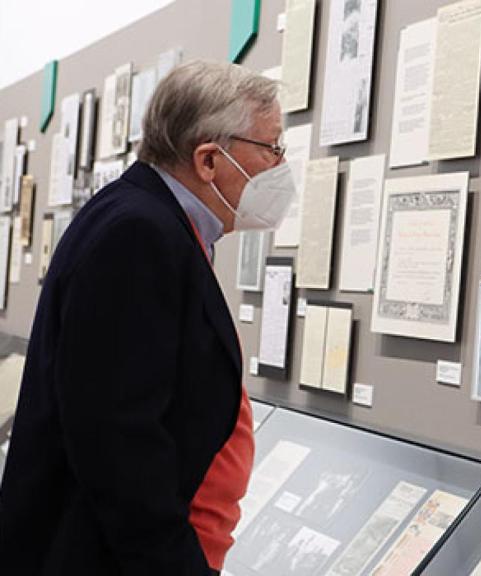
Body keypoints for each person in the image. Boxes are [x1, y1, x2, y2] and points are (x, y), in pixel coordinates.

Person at [0, 60, 295, 575]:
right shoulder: (138, 232)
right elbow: (118, 438)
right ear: (208, 159)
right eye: (272, 148)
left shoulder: (153, 220)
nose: (280, 166)